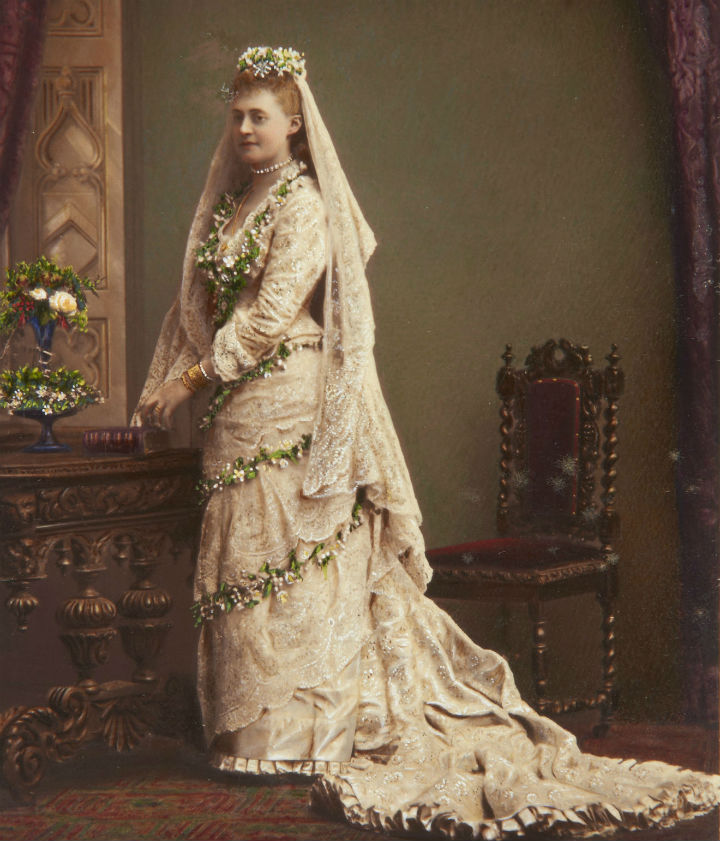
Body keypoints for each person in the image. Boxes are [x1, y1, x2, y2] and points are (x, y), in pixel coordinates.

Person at [135, 46, 720, 839]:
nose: (243, 127)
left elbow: (270, 317)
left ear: (295, 123)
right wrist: (175, 381)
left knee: (296, 561)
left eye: (259, 116)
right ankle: (249, 734)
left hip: (296, 403)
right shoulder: (234, 205)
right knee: (248, 559)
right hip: (238, 412)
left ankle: (304, 734)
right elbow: (198, 302)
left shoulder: (306, 206)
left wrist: (192, 378)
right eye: (235, 114)